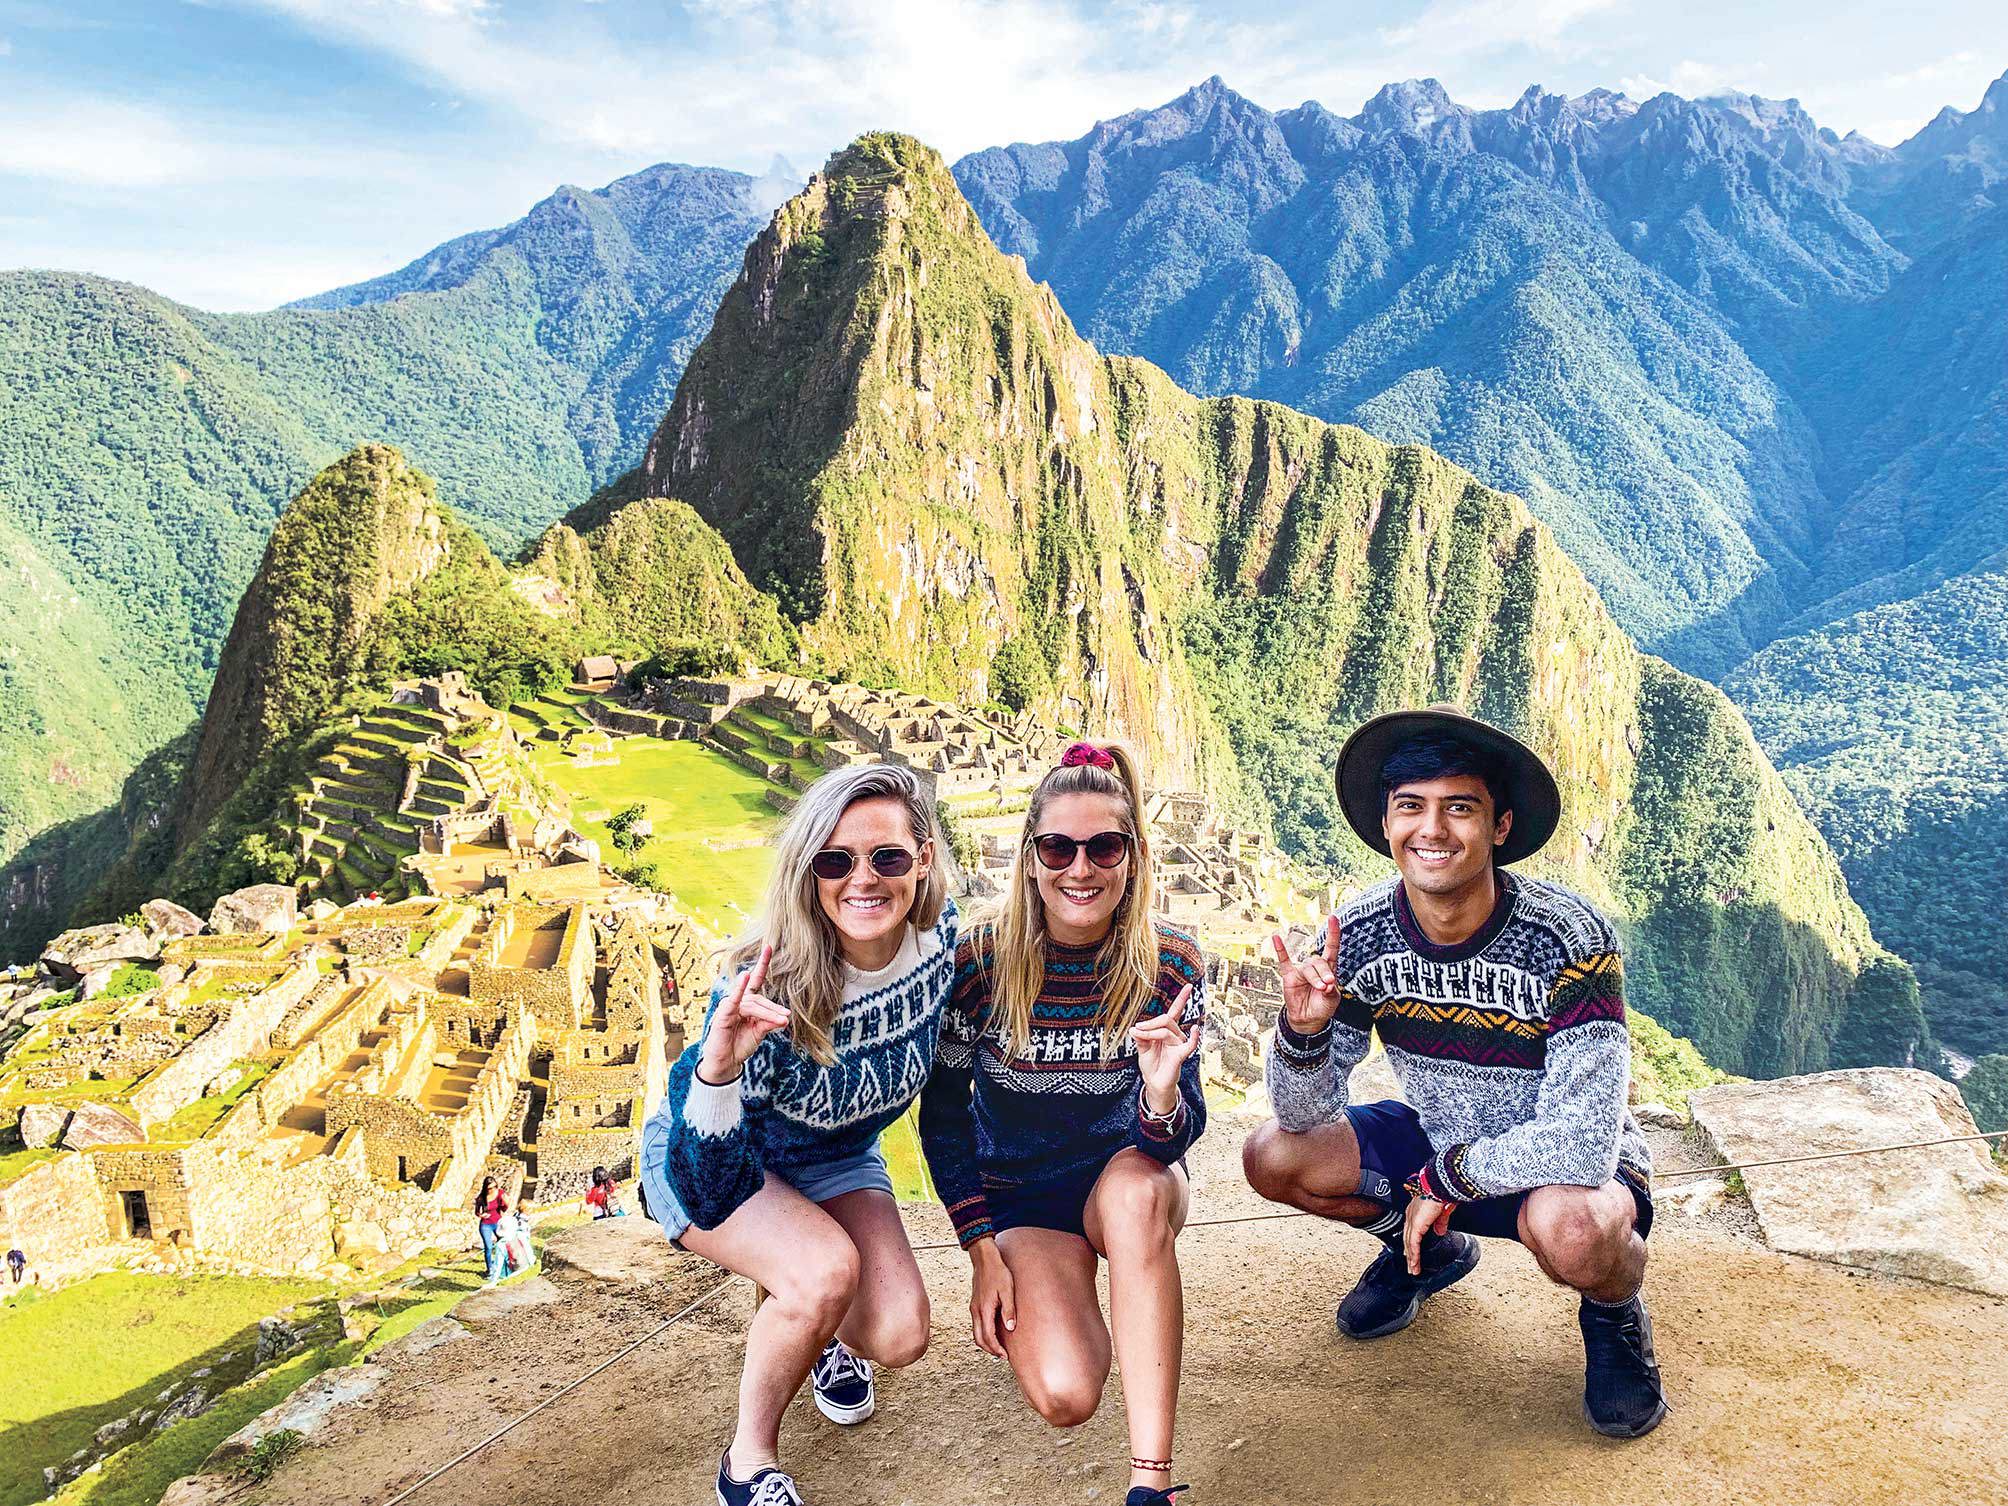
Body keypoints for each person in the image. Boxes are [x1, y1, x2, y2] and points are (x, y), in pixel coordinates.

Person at [1239, 704, 1666, 1438]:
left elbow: (1583, 1143)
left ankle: (1613, 1311)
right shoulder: (1360, 934)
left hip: (1557, 1172)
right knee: (1272, 1156)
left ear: (1500, 826)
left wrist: (1446, 1179)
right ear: (1386, 822)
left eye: (1459, 808)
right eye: (1411, 806)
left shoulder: (1568, 938)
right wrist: (1304, 1033)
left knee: (1574, 1230)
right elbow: (1303, 1116)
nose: (1432, 830)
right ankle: (1428, 1254)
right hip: (1439, 1148)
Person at [639, 762, 958, 1506]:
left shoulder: (939, 941)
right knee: (821, 1271)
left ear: (923, 859)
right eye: (834, 861)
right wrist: (719, 1068)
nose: (862, 879)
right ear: (809, 871)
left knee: (900, 1332)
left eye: (886, 856)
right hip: (712, 1155)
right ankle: (747, 1464)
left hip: (836, 1154)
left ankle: (817, 1334)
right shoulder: (769, 984)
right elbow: (710, 1190)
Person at [920, 741, 1206, 1506]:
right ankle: (1072, 1300)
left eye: (1104, 847)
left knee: (1136, 1198)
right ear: (1031, 859)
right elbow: (943, 1119)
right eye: (1058, 848)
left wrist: (1159, 1098)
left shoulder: (1170, 963)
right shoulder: (980, 964)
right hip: (1022, 1198)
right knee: (1065, 1393)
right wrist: (981, 1249)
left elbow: (1182, 1130)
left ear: (1132, 858)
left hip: (1127, 1175)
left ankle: (1151, 1483)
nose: (1081, 868)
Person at [473, 1176, 510, 1285]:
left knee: (502, 1244)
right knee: (488, 1247)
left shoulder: (500, 1193)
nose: (493, 1189)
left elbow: (504, 1209)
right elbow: (477, 1212)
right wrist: (481, 1215)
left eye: (495, 1187)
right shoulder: (481, 1198)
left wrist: (506, 1202)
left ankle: (505, 1266)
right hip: (485, 1225)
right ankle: (490, 1270)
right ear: (486, 1188)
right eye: (490, 1188)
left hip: (498, 1223)